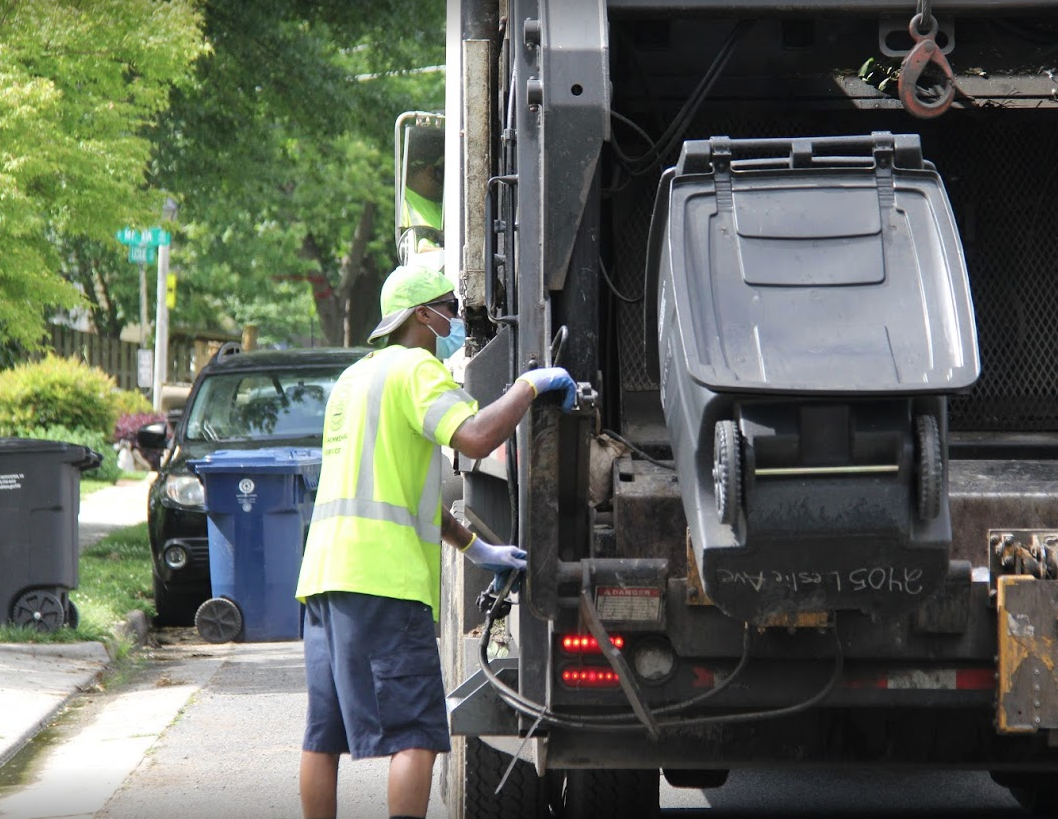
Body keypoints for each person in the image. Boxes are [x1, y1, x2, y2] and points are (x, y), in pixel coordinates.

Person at [295, 263, 576, 819]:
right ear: (421, 314)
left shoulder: (353, 381)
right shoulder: (417, 370)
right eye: (448, 304)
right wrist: (529, 385)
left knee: (322, 735)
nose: (454, 314)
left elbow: (400, 492)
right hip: (385, 582)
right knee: (415, 732)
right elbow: (473, 437)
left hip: (324, 580)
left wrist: (476, 548)